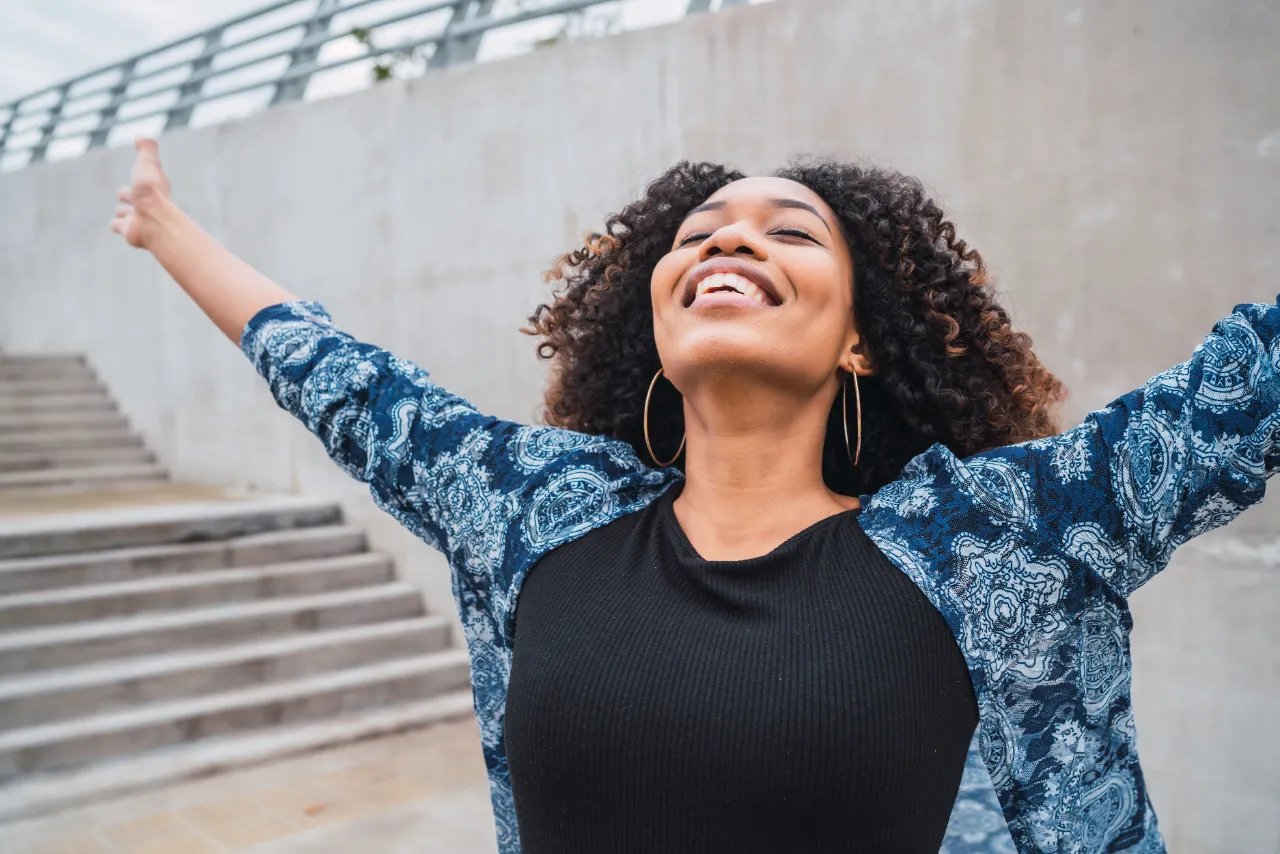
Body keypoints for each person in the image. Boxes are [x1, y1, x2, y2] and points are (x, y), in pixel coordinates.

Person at [110, 138, 1277, 854]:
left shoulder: (996, 537)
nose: (729, 242)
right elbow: (340, 376)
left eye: (790, 231)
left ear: (861, 341)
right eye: (698, 233)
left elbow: (1248, 384)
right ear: (654, 321)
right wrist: (166, 230)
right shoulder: (537, 511)